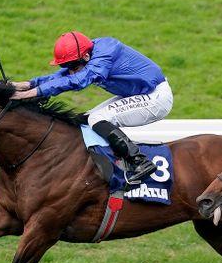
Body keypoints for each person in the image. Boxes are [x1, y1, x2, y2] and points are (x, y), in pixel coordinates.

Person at [11, 31, 173, 184]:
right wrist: (27, 85)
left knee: (97, 119)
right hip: (137, 95)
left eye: (73, 66)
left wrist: (30, 94)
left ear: (86, 57)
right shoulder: (87, 55)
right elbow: (60, 77)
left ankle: (140, 161)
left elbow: (79, 80)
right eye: (67, 67)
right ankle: (108, 163)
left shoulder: (106, 53)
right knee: (84, 120)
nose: (71, 71)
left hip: (156, 97)